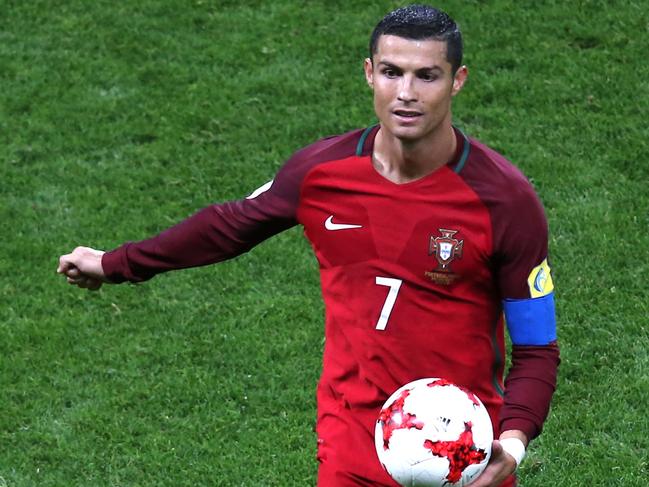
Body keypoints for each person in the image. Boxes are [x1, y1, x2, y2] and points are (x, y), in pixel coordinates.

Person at [57, 4, 559, 486]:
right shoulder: (321, 173)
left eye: (426, 75)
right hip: (351, 444)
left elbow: (537, 348)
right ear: (368, 73)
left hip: (463, 452)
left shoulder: (504, 201)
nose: (405, 92)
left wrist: (512, 443)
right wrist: (114, 263)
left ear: (458, 80)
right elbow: (229, 225)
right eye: (390, 71)